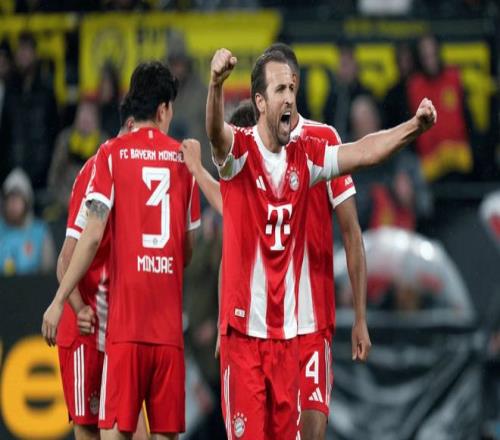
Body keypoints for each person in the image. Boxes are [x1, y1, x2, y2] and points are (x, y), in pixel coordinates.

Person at [206, 47, 436, 439]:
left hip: (289, 337)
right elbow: (215, 132)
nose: (289, 98)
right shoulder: (239, 151)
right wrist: (215, 85)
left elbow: (364, 151)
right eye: (280, 89)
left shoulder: (308, 153)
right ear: (260, 102)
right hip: (244, 337)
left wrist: (413, 126)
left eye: (292, 88)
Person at [42, 60, 201, 440]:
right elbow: (187, 251)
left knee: (112, 431)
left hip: (124, 327)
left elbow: (90, 236)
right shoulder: (185, 161)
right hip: (167, 330)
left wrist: (58, 301)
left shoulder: (110, 155)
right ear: (163, 109)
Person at [48, 96, 149, 440]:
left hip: (119, 330)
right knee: (90, 431)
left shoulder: (135, 178)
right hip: (86, 331)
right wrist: (76, 308)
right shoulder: (96, 172)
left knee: (133, 427)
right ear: (131, 127)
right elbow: (66, 258)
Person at [0, 167, 55, 275]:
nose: (13, 205)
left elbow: (48, 271)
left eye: (18, 199)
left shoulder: (40, 231)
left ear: (27, 202)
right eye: (10, 199)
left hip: (33, 285)